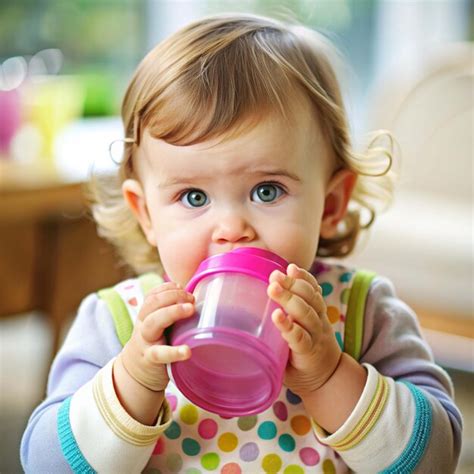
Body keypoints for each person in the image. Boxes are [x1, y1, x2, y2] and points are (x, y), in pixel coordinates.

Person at [21, 13, 462, 473]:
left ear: (330, 205)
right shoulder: (119, 322)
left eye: (267, 190)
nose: (231, 228)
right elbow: (44, 464)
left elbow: (436, 459)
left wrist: (329, 375)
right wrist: (132, 379)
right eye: (193, 196)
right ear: (146, 214)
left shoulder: (363, 311)